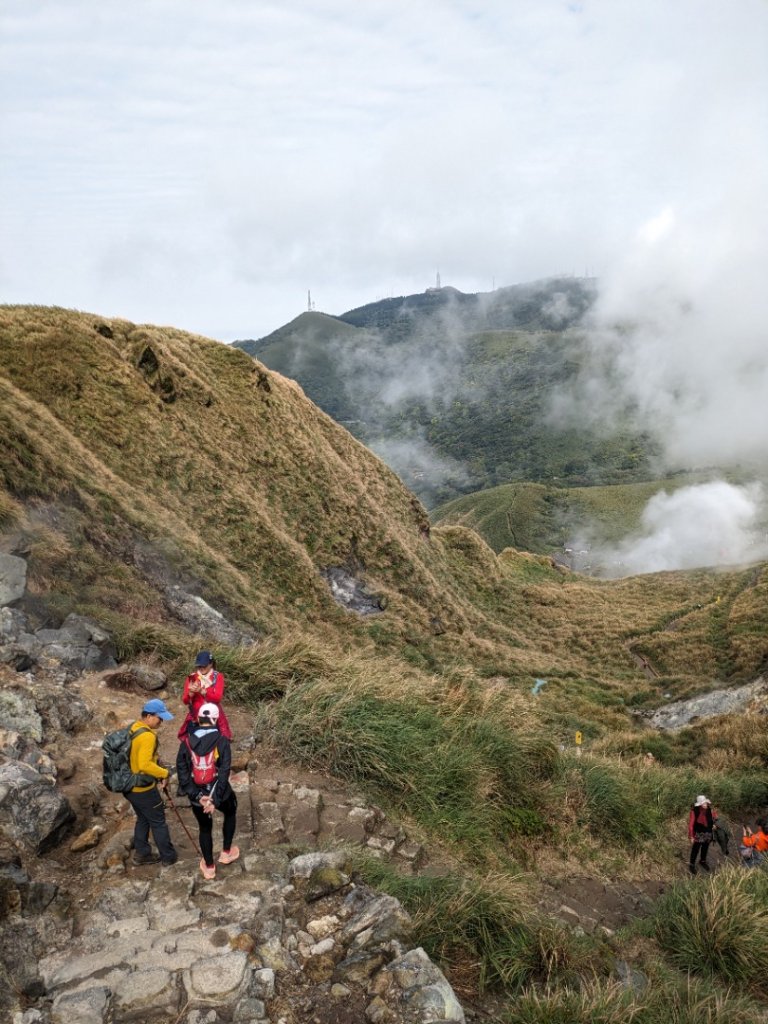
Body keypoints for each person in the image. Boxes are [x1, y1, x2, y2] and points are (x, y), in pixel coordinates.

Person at [176, 701, 239, 880]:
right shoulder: (221, 740)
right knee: (231, 811)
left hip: (198, 793)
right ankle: (226, 852)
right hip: (219, 790)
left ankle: (209, 867)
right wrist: (215, 799)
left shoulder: (186, 742)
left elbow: (182, 771)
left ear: (199, 718)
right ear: (215, 719)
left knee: (205, 828)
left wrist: (197, 795)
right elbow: (225, 769)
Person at [126, 698, 178, 867]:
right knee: (158, 822)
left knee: (143, 818)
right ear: (148, 716)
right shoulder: (148, 736)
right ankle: (168, 857)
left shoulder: (134, 727)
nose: (161, 721)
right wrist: (164, 773)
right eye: (159, 717)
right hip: (143, 789)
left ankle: (142, 854)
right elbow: (144, 764)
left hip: (129, 786)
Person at [178, 650, 232, 741]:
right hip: (196, 715)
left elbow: (217, 698)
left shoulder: (218, 677)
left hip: (213, 716)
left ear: (211, 664)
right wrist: (191, 693)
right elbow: (185, 701)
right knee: (195, 743)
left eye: (204, 665)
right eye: (199, 666)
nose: (201, 668)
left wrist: (203, 691)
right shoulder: (192, 678)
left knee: (214, 743)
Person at [688, 794, 713, 875]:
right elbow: (691, 824)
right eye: (704, 804)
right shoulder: (694, 811)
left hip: (708, 832)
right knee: (696, 849)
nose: (706, 805)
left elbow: (710, 819)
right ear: (700, 805)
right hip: (699, 833)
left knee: (705, 847)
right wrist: (691, 836)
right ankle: (691, 864)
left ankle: (702, 861)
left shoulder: (708, 809)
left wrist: (714, 825)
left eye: (706, 803)